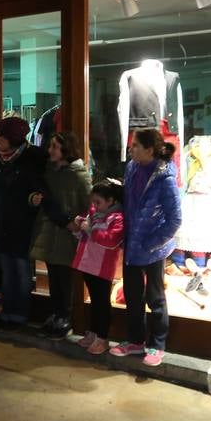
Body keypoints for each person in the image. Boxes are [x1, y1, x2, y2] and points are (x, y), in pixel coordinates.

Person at [110, 128, 181, 365]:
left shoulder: (165, 178)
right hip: (132, 244)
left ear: (149, 150)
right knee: (132, 295)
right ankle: (135, 341)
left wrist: (152, 243)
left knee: (155, 297)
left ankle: (157, 345)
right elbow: (130, 201)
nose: (131, 149)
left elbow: (175, 219)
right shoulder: (131, 168)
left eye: (136, 146)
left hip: (152, 248)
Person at [29, 131, 92, 340]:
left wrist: (78, 222)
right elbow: (38, 196)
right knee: (53, 277)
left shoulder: (78, 174)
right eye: (50, 146)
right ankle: (55, 315)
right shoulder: (49, 172)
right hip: (49, 231)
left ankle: (65, 318)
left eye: (55, 147)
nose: (50, 151)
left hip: (67, 234)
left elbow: (88, 204)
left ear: (66, 149)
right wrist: (34, 199)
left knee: (64, 278)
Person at [0, 116, 46, 329]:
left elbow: (38, 188)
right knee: (6, 269)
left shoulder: (33, 157)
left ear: (12, 138)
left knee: (21, 270)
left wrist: (31, 199)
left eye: (0, 137)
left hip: (23, 222)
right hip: (1, 220)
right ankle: (7, 313)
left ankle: (20, 315)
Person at [72, 181, 125, 355]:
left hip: (102, 268)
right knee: (94, 302)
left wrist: (91, 230)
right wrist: (79, 227)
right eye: (93, 202)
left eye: (98, 202)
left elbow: (110, 240)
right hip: (87, 264)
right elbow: (84, 236)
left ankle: (102, 338)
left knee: (102, 303)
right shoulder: (94, 213)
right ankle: (93, 333)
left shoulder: (117, 218)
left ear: (110, 200)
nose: (94, 206)